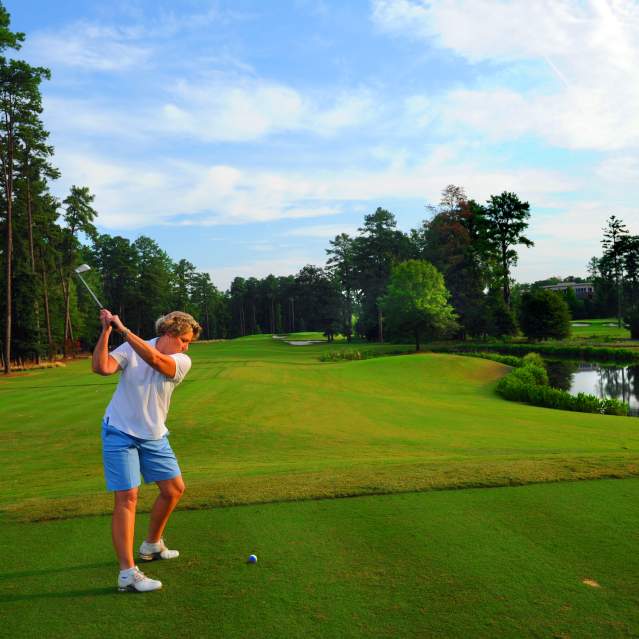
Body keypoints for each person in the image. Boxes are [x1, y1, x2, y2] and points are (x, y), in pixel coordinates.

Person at [92, 309, 200, 592]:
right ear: (169, 334)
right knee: (128, 498)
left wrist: (124, 330)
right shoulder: (130, 346)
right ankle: (127, 573)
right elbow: (102, 368)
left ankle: (152, 543)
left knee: (174, 489)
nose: (187, 346)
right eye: (185, 340)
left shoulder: (181, 360)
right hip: (119, 432)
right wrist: (106, 331)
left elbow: (155, 361)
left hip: (154, 435)